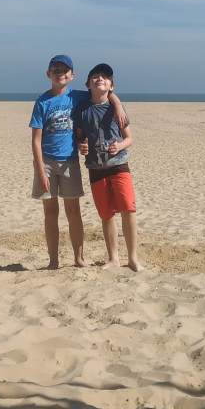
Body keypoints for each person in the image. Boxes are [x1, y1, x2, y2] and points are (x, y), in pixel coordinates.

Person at [29, 54, 125, 269]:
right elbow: (35, 140)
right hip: (46, 162)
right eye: (56, 70)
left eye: (65, 70)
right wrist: (40, 171)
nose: (60, 73)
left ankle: (78, 258)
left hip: (70, 162)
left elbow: (104, 93)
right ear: (48, 74)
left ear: (72, 76)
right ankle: (53, 260)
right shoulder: (42, 101)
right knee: (50, 212)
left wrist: (117, 104)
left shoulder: (78, 97)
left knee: (73, 211)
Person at [75, 63, 142, 271]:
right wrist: (82, 146)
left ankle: (133, 258)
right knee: (106, 214)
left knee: (128, 209)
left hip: (119, 165)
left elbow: (129, 138)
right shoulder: (82, 110)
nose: (100, 79)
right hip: (95, 167)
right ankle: (113, 258)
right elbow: (80, 138)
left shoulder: (116, 108)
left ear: (111, 85)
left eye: (105, 77)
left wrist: (120, 145)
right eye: (95, 76)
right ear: (88, 84)